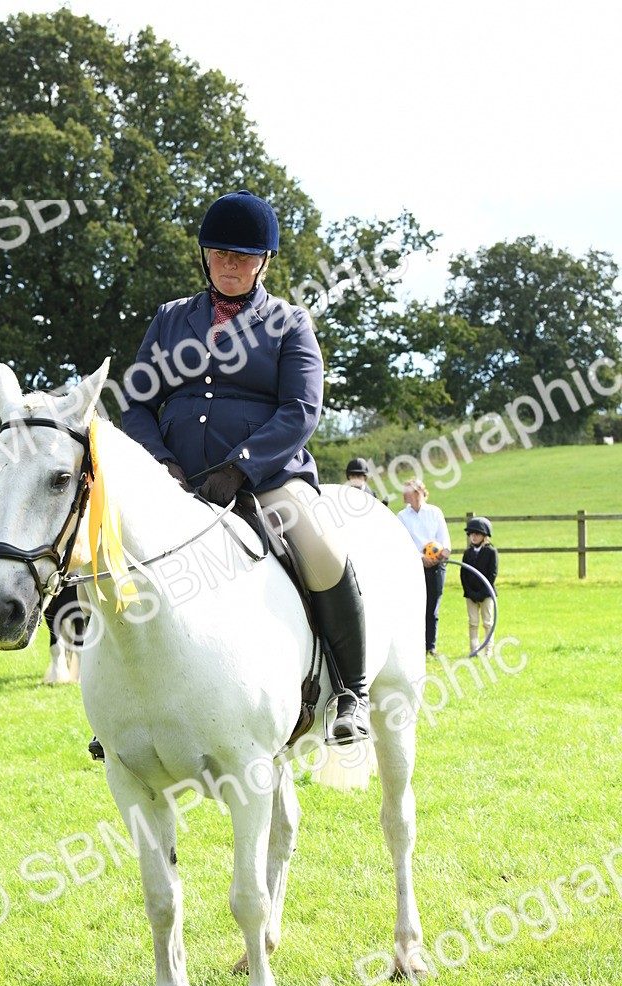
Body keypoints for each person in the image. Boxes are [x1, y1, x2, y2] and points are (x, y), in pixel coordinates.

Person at [120, 188, 370, 745]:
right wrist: (161, 464)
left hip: (269, 482)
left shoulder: (289, 323)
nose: (230, 264)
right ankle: (123, 708)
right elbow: (136, 401)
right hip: (176, 484)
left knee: (323, 550)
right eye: (220, 253)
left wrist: (241, 468)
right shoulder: (169, 320)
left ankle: (352, 690)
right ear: (204, 255)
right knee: (105, 551)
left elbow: (301, 409)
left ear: (264, 262)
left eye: (243, 256)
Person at [396, 477, 451, 657]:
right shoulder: (402, 516)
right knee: (414, 606)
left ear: (418, 493)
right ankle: (415, 646)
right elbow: (403, 542)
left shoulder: (435, 512)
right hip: (413, 565)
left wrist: (442, 554)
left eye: (407, 491)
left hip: (436, 566)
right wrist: (421, 558)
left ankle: (431, 646)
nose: (404, 495)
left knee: (432, 607)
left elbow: (445, 540)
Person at [460, 517, 498, 656]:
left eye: (476, 534)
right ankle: (474, 649)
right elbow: (463, 574)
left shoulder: (491, 552)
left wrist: (482, 592)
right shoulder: (467, 553)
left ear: (484, 536)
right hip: (470, 594)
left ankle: (488, 649)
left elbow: (492, 574)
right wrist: (469, 592)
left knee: (487, 622)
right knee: (473, 622)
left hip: (486, 593)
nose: (473, 537)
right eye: (471, 534)